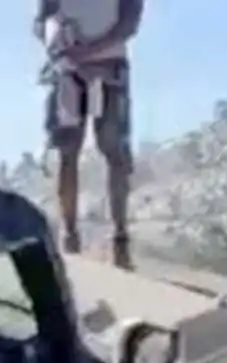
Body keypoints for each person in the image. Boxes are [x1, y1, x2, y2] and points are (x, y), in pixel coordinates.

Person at [35, 0, 145, 269]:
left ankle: (120, 239)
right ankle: (70, 236)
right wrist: (57, 40)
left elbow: (129, 23)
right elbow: (41, 20)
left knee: (114, 150)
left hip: (109, 69)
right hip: (67, 71)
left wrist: (89, 50)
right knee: (67, 152)